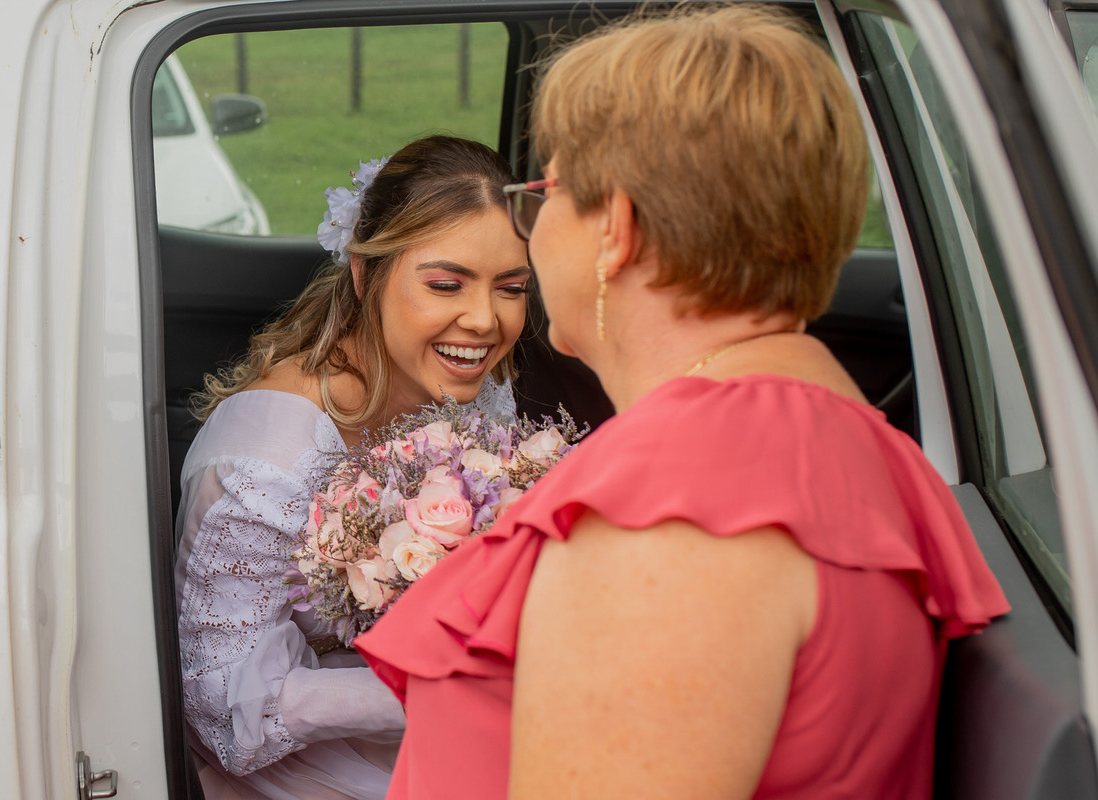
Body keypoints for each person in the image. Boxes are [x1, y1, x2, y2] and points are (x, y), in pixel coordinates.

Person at [355, 8, 1009, 800]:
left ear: (617, 230)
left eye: (546, 192)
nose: (532, 226)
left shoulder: (678, 506)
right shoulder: (836, 435)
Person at [174, 135, 530, 799]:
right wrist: (460, 687)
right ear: (365, 273)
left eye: (511, 287)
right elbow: (233, 717)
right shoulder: (263, 465)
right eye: (446, 284)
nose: (484, 320)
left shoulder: (481, 385)